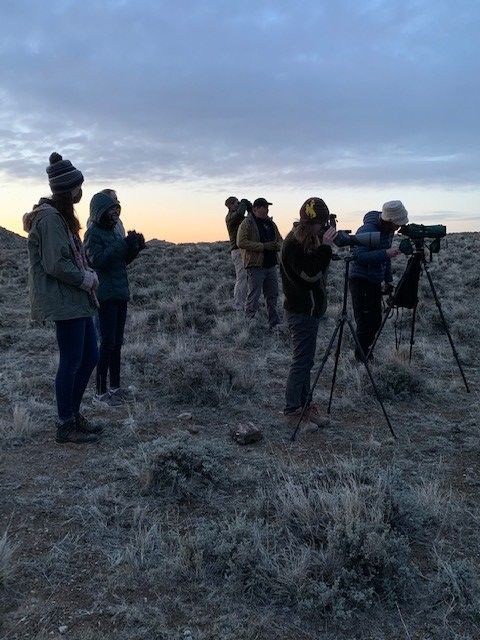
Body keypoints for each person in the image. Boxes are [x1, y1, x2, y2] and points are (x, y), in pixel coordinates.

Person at [23, 152, 101, 444]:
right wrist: (87, 278)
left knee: (89, 356)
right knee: (72, 360)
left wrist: (86, 274)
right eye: (78, 186)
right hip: (65, 300)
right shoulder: (51, 219)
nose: (81, 191)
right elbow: (56, 263)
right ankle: (65, 423)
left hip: (76, 299)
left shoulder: (62, 218)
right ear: (69, 188)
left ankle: (73, 414)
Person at [84, 191, 145, 405]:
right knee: (107, 343)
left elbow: (120, 262)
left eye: (116, 209)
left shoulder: (114, 233)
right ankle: (100, 393)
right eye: (111, 209)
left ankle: (115, 388)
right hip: (106, 296)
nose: (115, 213)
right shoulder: (93, 234)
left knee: (117, 343)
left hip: (120, 294)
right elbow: (97, 261)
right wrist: (122, 245)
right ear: (100, 211)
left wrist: (134, 248)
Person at [280, 197, 337, 426]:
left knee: (306, 361)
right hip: (300, 311)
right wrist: (325, 248)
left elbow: (315, 269)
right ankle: (293, 409)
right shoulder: (293, 244)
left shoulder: (304, 239)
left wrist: (322, 247)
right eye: (320, 223)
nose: (322, 228)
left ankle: (304, 405)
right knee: (302, 361)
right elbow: (310, 275)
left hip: (309, 310)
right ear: (310, 222)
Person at [349, 200, 408, 360]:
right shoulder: (368, 230)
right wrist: (386, 254)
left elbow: (385, 258)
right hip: (361, 281)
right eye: (397, 224)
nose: (398, 228)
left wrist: (388, 280)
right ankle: (361, 359)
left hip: (374, 281)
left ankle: (367, 353)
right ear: (389, 221)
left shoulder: (387, 231)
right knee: (365, 322)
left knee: (375, 321)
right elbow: (359, 256)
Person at [236, 197, 283, 329]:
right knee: (254, 296)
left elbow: (280, 239)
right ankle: (249, 324)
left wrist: (277, 246)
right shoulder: (247, 223)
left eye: (267, 207)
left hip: (271, 265)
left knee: (273, 295)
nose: (267, 209)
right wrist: (263, 246)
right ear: (256, 208)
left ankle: (274, 323)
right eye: (264, 207)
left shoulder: (271, 223)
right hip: (255, 266)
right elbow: (241, 242)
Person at [224, 196, 250, 310]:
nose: (237, 205)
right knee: (242, 277)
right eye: (236, 203)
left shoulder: (238, 217)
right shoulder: (230, 217)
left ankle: (244, 303)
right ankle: (238, 305)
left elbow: (249, 219)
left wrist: (249, 207)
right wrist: (244, 203)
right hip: (237, 250)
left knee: (247, 277)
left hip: (244, 249)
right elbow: (239, 214)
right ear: (229, 205)